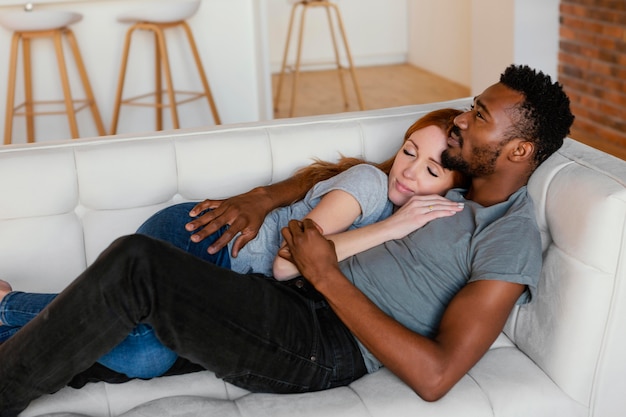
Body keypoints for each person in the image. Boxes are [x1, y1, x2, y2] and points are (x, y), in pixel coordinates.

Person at [0, 64, 574, 417]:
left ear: (519, 150)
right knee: (142, 350)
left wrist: (322, 272)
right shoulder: (450, 184)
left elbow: (435, 376)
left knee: (138, 266)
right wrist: (267, 196)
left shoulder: (508, 236)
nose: (464, 122)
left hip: (321, 345)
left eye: (479, 115)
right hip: (287, 295)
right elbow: (363, 176)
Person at [0, 109, 465, 379]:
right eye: (409, 151)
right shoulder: (368, 186)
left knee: (131, 344)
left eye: (432, 169)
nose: (408, 171)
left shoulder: (418, 221)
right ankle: (7, 303)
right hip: (208, 243)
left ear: (452, 186)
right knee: (147, 354)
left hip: (224, 282)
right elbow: (287, 265)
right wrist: (391, 229)